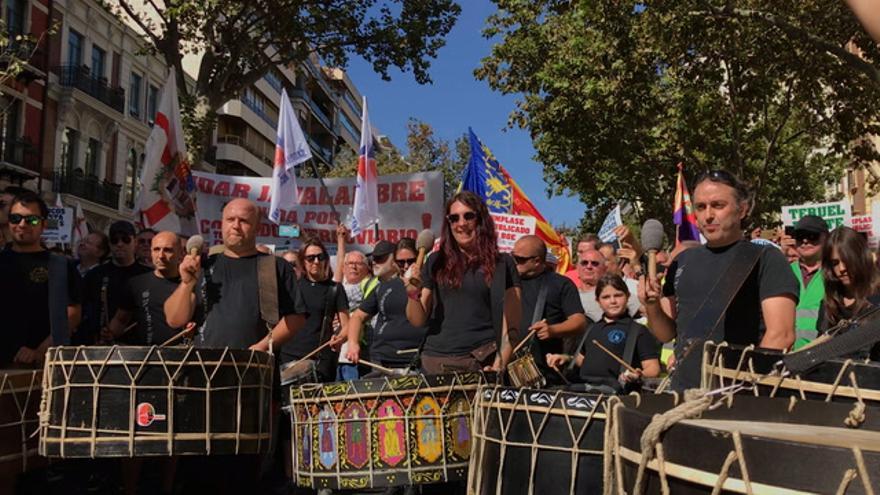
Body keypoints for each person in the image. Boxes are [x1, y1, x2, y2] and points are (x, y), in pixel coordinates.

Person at [164, 198, 305, 494]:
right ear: (221, 223)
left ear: (257, 226)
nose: (235, 226)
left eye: (243, 221)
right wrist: (187, 283)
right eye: (230, 220)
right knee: (196, 469)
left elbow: (295, 318)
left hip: (251, 382)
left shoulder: (273, 267)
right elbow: (175, 318)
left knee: (242, 470)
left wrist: (264, 344)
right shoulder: (204, 265)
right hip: (201, 383)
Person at [640, 170, 798, 390]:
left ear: (742, 209)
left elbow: (781, 335)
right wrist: (652, 307)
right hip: (684, 393)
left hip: (738, 396)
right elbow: (666, 333)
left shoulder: (766, 259)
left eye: (718, 205)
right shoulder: (681, 262)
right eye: (701, 207)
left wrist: (744, 387)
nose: (708, 215)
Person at [405, 190, 521, 374]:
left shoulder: (502, 263)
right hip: (433, 362)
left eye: (468, 216)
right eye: (454, 218)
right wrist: (412, 292)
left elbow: (512, 325)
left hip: (481, 362)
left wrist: (499, 364)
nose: (462, 224)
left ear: (481, 220)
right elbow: (418, 320)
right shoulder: (435, 261)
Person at [0, 191, 81, 366]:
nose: (22, 224)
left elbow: (72, 315)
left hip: (41, 369)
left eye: (32, 220)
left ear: (43, 225)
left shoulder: (60, 265)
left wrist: (39, 351)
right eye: (15, 218)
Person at [547, 275, 660, 393]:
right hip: (584, 391)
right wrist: (565, 358)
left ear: (628, 296)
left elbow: (653, 368)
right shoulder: (591, 329)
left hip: (617, 395)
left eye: (618, 295)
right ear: (598, 301)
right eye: (606, 297)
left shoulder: (638, 330)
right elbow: (581, 360)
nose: (613, 301)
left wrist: (639, 374)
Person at [511, 235, 587, 385]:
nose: (514, 263)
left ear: (537, 261)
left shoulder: (560, 284)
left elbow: (579, 321)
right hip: (505, 372)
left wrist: (553, 330)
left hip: (543, 375)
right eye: (512, 257)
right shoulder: (506, 281)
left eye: (520, 260)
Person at [104, 231, 202, 346]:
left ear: (181, 253)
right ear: (151, 252)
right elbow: (121, 319)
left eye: (168, 250)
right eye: (156, 249)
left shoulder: (194, 283)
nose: (161, 255)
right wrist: (110, 333)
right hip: (146, 357)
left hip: (182, 357)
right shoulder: (136, 284)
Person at [345, 239, 428, 374]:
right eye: (401, 262)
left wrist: (413, 291)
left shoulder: (427, 284)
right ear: (395, 263)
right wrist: (353, 343)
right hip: (382, 360)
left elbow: (419, 320)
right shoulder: (383, 286)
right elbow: (358, 316)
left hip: (416, 360)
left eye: (411, 261)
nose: (406, 266)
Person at [278, 237, 349, 381]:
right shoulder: (293, 287)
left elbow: (347, 325)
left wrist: (340, 338)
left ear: (326, 259)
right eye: (311, 258)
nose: (316, 261)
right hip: (289, 357)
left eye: (320, 257)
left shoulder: (335, 289)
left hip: (320, 361)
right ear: (303, 261)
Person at [78, 221, 152, 345]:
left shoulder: (147, 275)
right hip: (99, 345)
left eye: (125, 239)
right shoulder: (95, 275)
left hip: (136, 346)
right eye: (114, 240)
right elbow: (82, 308)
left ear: (134, 242)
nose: (120, 244)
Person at [817, 227, 880, 359]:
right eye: (835, 263)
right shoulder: (829, 303)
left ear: (861, 257)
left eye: (847, 260)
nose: (842, 269)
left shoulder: (876, 301)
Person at [333, 224, 375, 381]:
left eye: (358, 263)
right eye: (349, 263)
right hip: (338, 352)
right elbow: (339, 263)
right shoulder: (339, 285)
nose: (353, 266)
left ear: (367, 268)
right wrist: (341, 240)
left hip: (359, 352)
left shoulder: (370, 284)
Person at [788, 215, 828, 349]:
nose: (805, 241)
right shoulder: (784, 271)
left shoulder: (835, 274)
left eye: (812, 236)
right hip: (785, 357)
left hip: (821, 359)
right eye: (799, 236)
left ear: (826, 238)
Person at [577, 248, 640, 321]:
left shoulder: (613, 292)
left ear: (604, 268)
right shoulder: (569, 294)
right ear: (577, 267)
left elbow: (647, 312)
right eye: (584, 263)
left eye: (595, 263)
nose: (589, 266)